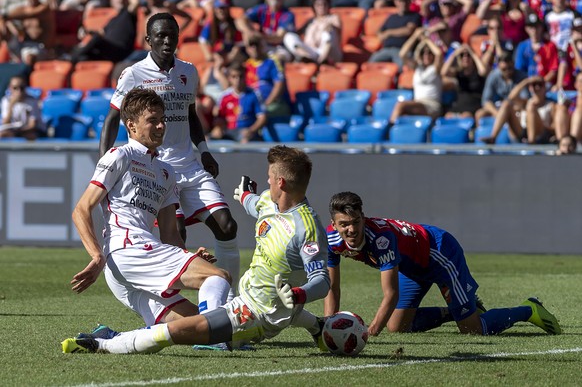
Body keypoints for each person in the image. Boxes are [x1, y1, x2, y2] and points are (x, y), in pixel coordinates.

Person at [61, 145, 331, 354]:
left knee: (172, 332)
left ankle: (104, 343)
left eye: (271, 178)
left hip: (252, 317)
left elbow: (321, 281)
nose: (268, 182)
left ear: (281, 183)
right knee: (190, 322)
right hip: (252, 299)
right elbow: (256, 206)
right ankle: (317, 327)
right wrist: (245, 196)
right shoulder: (267, 202)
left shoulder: (306, 228)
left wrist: (298, 294)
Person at [99, 13, 242, 302]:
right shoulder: (133, 74)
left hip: (189, 165)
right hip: (155, 170)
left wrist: (204, 151)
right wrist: (105, 165)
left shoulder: (188, 71)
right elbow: (112, 118)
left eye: (172, 35)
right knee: (174, 236)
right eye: (161, 35)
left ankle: (231, 302)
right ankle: (177, 306)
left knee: (227, 226)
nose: (167, 40)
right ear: (148, 40)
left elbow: (191, 115)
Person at [68, 87, 231, 329]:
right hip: (129, 251)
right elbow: (81, 209)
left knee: (194, 323)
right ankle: (220, 337)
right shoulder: (119, 156)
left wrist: (187, 256)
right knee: (219, 277)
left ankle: (107, 339)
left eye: (162, 120)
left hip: (129, 264)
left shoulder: (167, 172)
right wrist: (96, 255)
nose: (161, 126)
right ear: (131, 126)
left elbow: (170, 233)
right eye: (152, 121)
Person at [324, 191, 562, 336]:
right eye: (344, 224)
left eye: (356, 221)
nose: (352, 229)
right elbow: (332, 288)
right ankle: (456, 311)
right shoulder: (331, 241)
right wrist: (328, 326)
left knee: (473, 330)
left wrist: (370, 331)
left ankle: (529, 309)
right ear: (334, 225)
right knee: (397, 327)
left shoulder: (382, 240)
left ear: (363, 218)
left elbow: (391, 294)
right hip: (410, 265)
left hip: (439, 254)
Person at [481, 76, 555, 144]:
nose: (537, 88)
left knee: (531, 108)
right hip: (522, 132)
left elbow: (553, 128)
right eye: (534, 85)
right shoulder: (525, 102)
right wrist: (526, 81)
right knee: (506, 104)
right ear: (530, 88)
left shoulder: (550, 105)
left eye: (540, 85)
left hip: (540, 134)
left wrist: (538, 122)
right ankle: (493, 137)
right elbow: (510, 98)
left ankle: (531, 142)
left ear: (545, 87)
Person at [390, 29, 443, 123]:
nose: (426, 55)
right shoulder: (418, 68)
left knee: (401, 106)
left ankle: (389, 129)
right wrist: (415, 36)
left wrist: (426, 40)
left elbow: (439, 53)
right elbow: (402, 54)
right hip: (418, 103)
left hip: (431, 105)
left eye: (429, 53)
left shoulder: (435, 68)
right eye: (423, 52)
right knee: (404, 114)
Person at [69, 0, 139, 64]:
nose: (119, 0)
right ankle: (74, 55)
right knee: (87, 55)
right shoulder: (112, 20)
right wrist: (87, 32)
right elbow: (101, 32)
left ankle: (72, 57)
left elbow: (135, 3)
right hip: (108, 50)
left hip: (120, 50)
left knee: (96, 39)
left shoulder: (128, 13)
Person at [210, 63, 267, 143]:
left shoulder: (254, 94)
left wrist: (251, 130)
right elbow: (219, 118)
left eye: (241, 76)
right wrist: (219, 127)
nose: (238, 80)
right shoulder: (224, 96)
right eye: (234, 77)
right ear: (229, 78)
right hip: (228, 131)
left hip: (246, 130)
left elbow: (262, 118)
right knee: (212, 136)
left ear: (245, 76)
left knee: (245, 141)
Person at [283, 0, 343, 65]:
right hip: (312, 52)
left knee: (329, 31)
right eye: (318, 5)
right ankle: (306, 57)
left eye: (324, 4)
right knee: (289, 36)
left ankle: (321, 61)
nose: (321, 6)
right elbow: (297, 33)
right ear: (314, 7)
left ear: (328, 6)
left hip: (329, 53)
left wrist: (330, 25)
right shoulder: (310, 21)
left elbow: (338, 29)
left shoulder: (333, 17)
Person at [367, 0, 422, 68]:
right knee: (370, 65)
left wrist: (389, 33)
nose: (403, 3)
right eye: (401, 1)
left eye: (405, 1)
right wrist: (380, 35)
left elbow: (409, 30)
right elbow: (380, 30)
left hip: (402, 51)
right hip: (386, 49)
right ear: (396, 2)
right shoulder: (392, 17)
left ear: (409, 2)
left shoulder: (415, 16)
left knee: (403, 67)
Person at [475, 51, 527, 123]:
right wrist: (498, 114)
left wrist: (507, 111)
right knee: (480, 114)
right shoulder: (493, 76)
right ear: (498, 67)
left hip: (515, 109)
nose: (507, 71)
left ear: (513, 64)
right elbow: (486, 101)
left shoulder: (522, 77)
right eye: (504, 69)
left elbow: (524, 101)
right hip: (497, 109)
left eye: (510, 68)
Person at [440, 43, 488, 118]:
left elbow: (483, 71)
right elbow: (443, 72)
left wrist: (472, 53)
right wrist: (455, 54)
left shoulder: (478, 72)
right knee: (448, 116)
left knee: (466, 116)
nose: (465, 58)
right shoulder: (458, 73)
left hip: (474, 105)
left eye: (468, 55)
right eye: (462, 55)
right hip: (460, 105)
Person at [514, 13, 558, 87]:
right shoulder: (522, 46)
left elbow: (553, 70)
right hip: (526, 83)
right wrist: (528, 83)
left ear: (541, 27)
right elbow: (519, 69)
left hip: (544, 83)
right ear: (526, 29)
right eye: (531, 27)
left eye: (536, 27)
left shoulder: (550, 46)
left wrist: (540, 83)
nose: (534, 30)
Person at [0, 75, 44, 140]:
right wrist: (11, 106)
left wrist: (19, 131)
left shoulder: (32, 101)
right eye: (15, 88)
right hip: (15, 131)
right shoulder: (5, 101)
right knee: (3, 135)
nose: (19, 91)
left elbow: (32, 125)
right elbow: (5, 122)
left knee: (31, 136)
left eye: (22, 88)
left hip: (30, 130)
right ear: (10, 88)